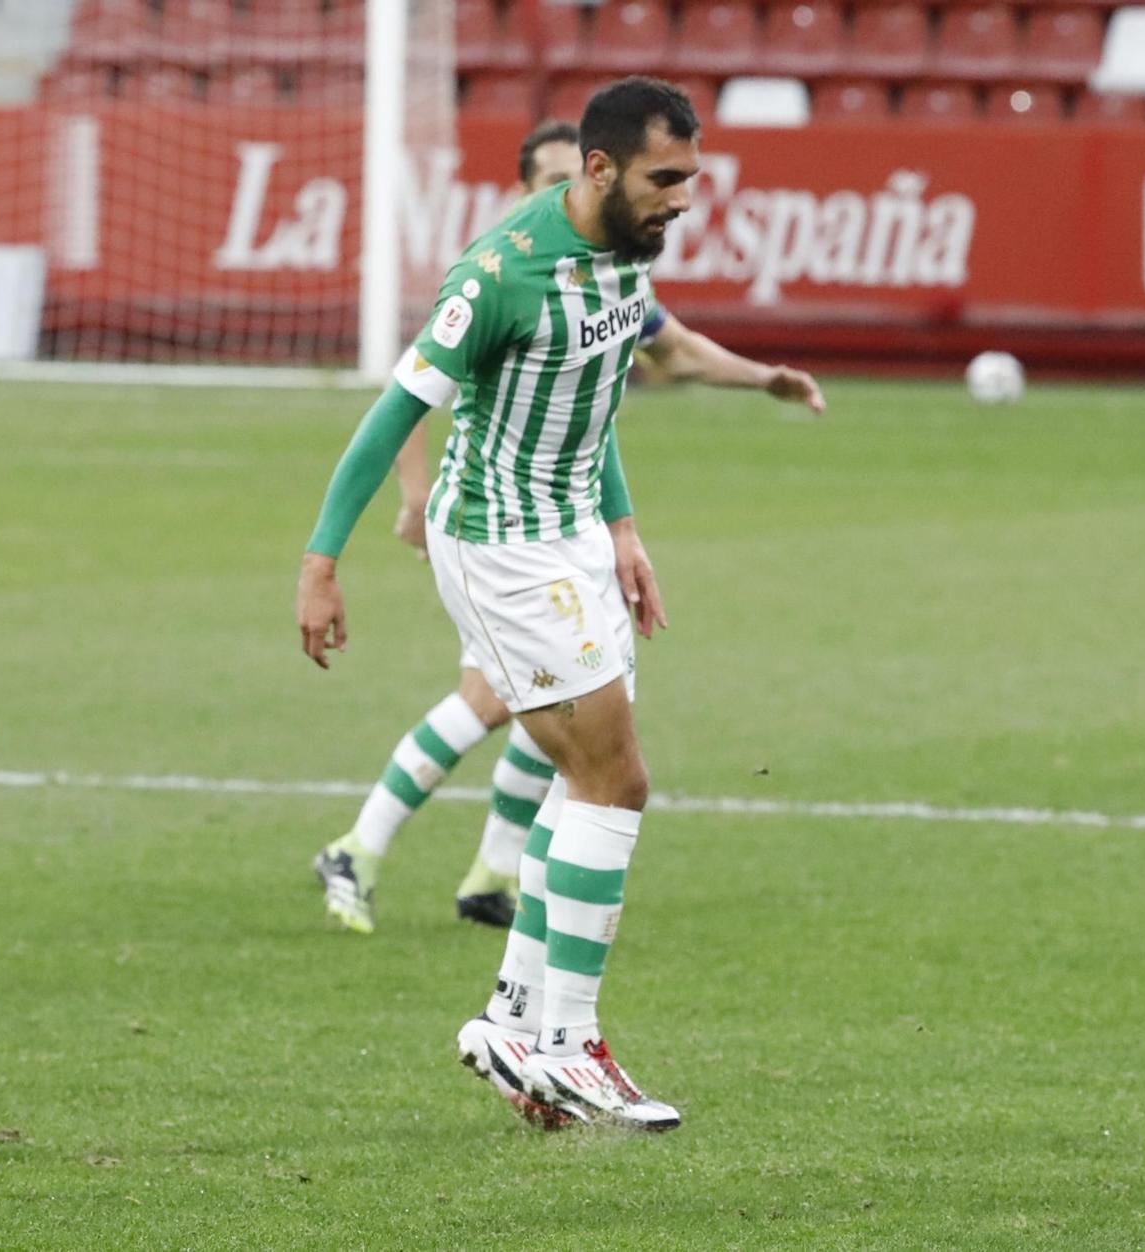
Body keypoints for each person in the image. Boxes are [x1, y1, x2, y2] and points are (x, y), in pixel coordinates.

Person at [296, 77, 826, 1129]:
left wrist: (631, 519)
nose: (682, 199)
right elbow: (392, 410)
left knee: (567, 773)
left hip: (574, 532)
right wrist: (321, 560)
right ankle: (566, 1040)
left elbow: (634, 371)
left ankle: (511, 1018)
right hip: (502, 542)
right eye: (663, 178)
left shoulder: (628, 253)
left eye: (688, 178)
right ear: (598, 170)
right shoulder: (498, 273)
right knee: (614, 779)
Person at [312, 118, 588, 935]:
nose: (564, 193)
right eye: (550, 179)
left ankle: (490, 874)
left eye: (577, 178)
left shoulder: (588, 268)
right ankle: (362, 848)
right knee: (505, 694)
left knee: (555, 688)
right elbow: (413, 393)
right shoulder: (498, 266)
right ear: (519, 187)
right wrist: (413, 495)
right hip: (487, 524)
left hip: (549, 520)